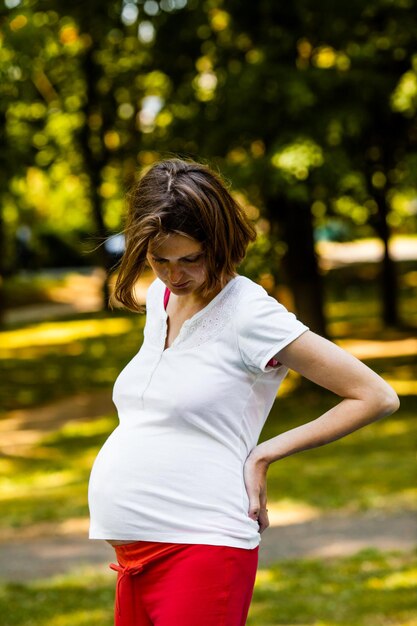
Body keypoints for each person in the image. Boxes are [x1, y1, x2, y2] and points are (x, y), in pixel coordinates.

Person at [88, 158, 400, 626]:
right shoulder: (162, 298)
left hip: (200, 547)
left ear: (219, 244)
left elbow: (374, 395)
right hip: (134, 555)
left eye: (190, 259)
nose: (175, 275)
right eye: (160, 260)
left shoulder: (250, 313)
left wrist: (264, 454)